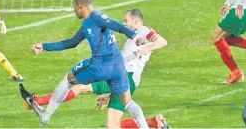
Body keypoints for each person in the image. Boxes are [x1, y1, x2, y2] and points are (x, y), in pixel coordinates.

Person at [21, 9, 169, 128]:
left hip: (127, 77)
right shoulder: (134, 36)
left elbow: (162, 41)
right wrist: (109, 92)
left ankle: (36, 102)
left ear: (136, 21)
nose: (124, 23)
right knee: (80, 88)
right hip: (116, 74)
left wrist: (145, 49)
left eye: (126, 20)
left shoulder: (145, 30)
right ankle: (153, 123)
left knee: (110, 123)